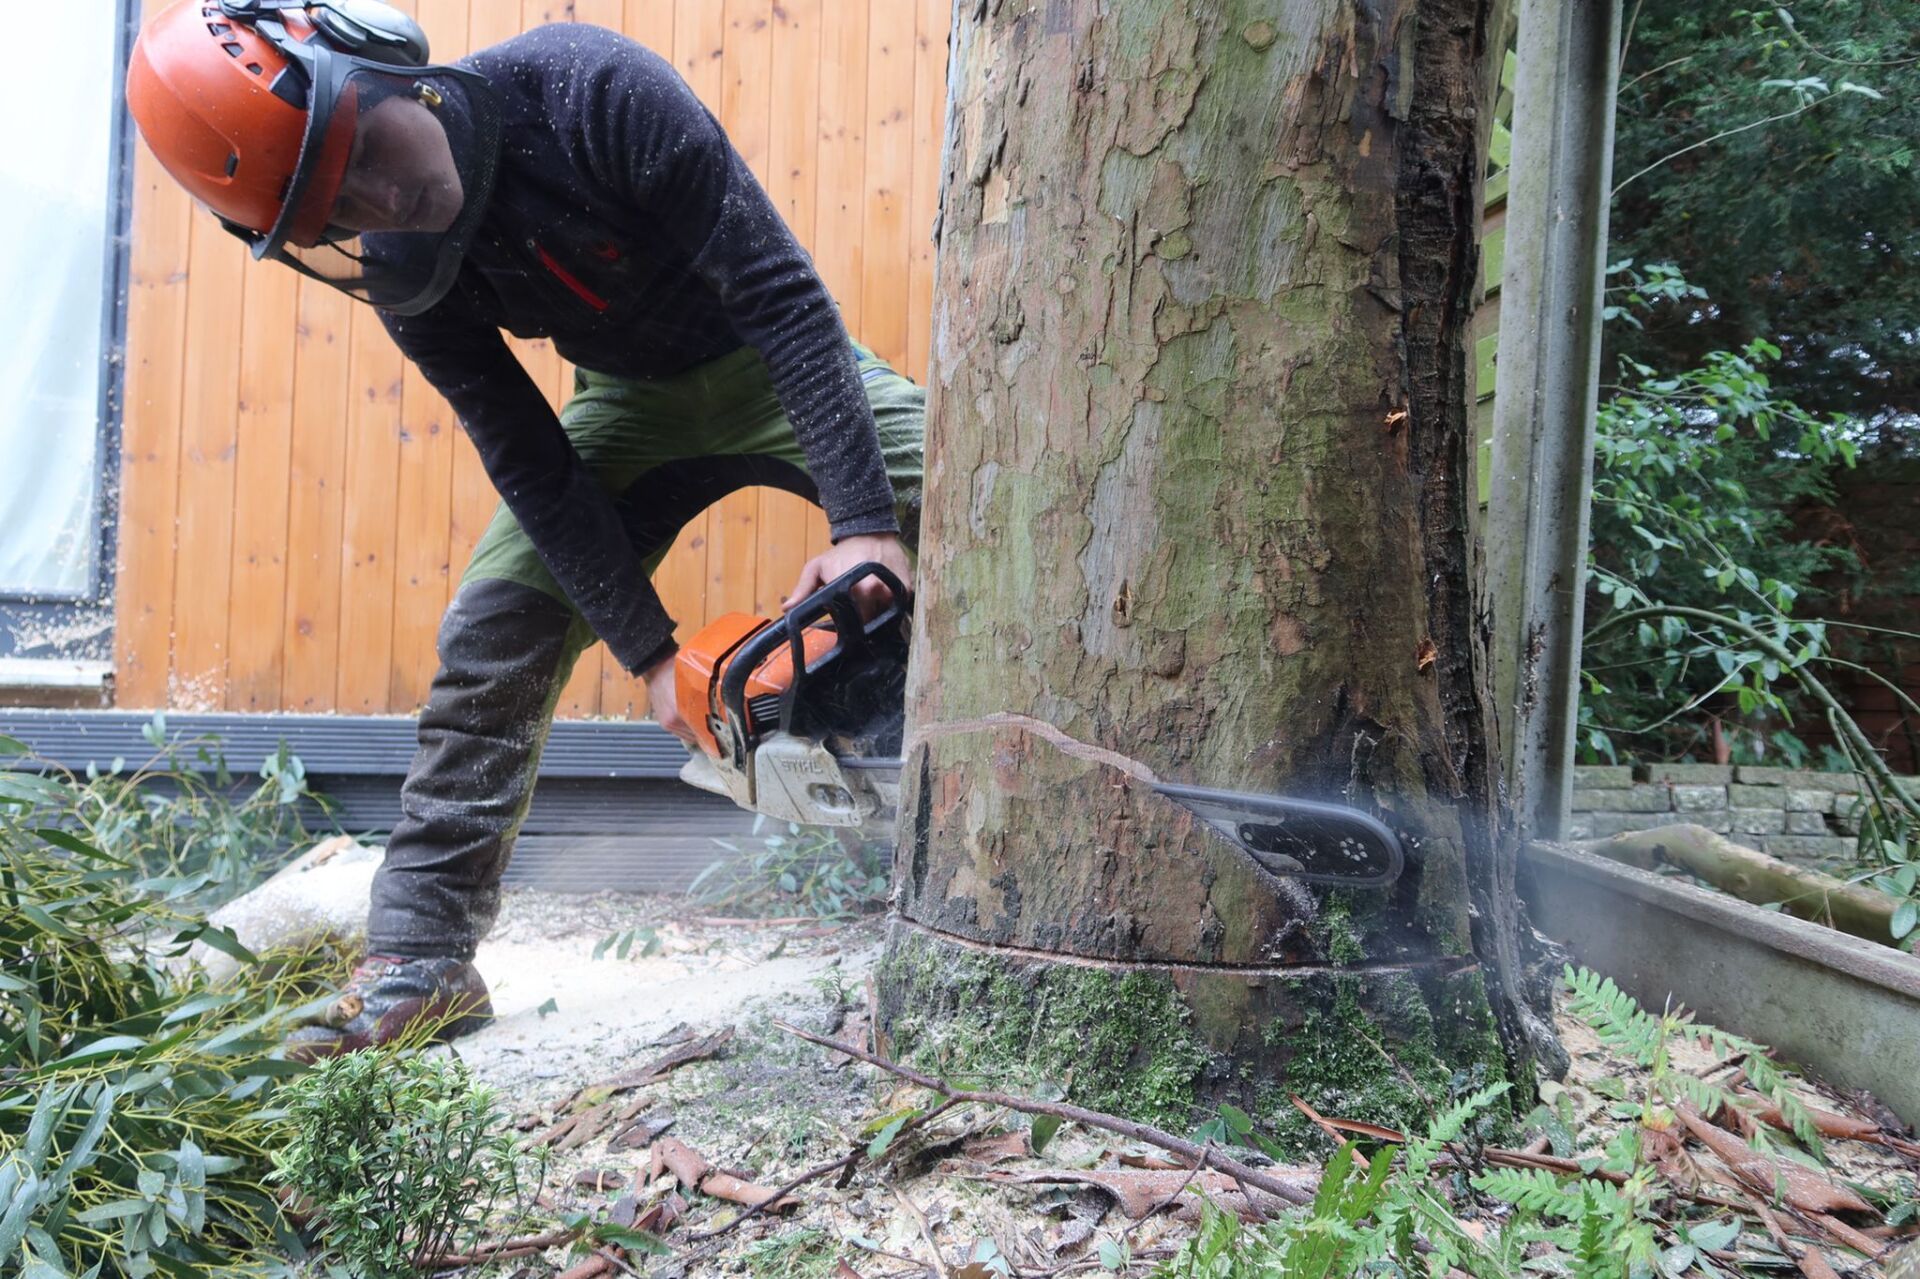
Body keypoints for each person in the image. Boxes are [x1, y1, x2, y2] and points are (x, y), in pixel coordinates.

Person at [125, 0, 923, 1055]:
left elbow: (781, 295)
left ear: (382, 67)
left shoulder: (587, 86)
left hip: (764, 350)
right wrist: (647, 652)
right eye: (339, 209)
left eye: (361, 152)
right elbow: (533, 462)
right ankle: (421, 957)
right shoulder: (413, 277)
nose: (382, 200)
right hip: (626, 404)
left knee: (970, 499)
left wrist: (865, 524)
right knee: (493, 627)